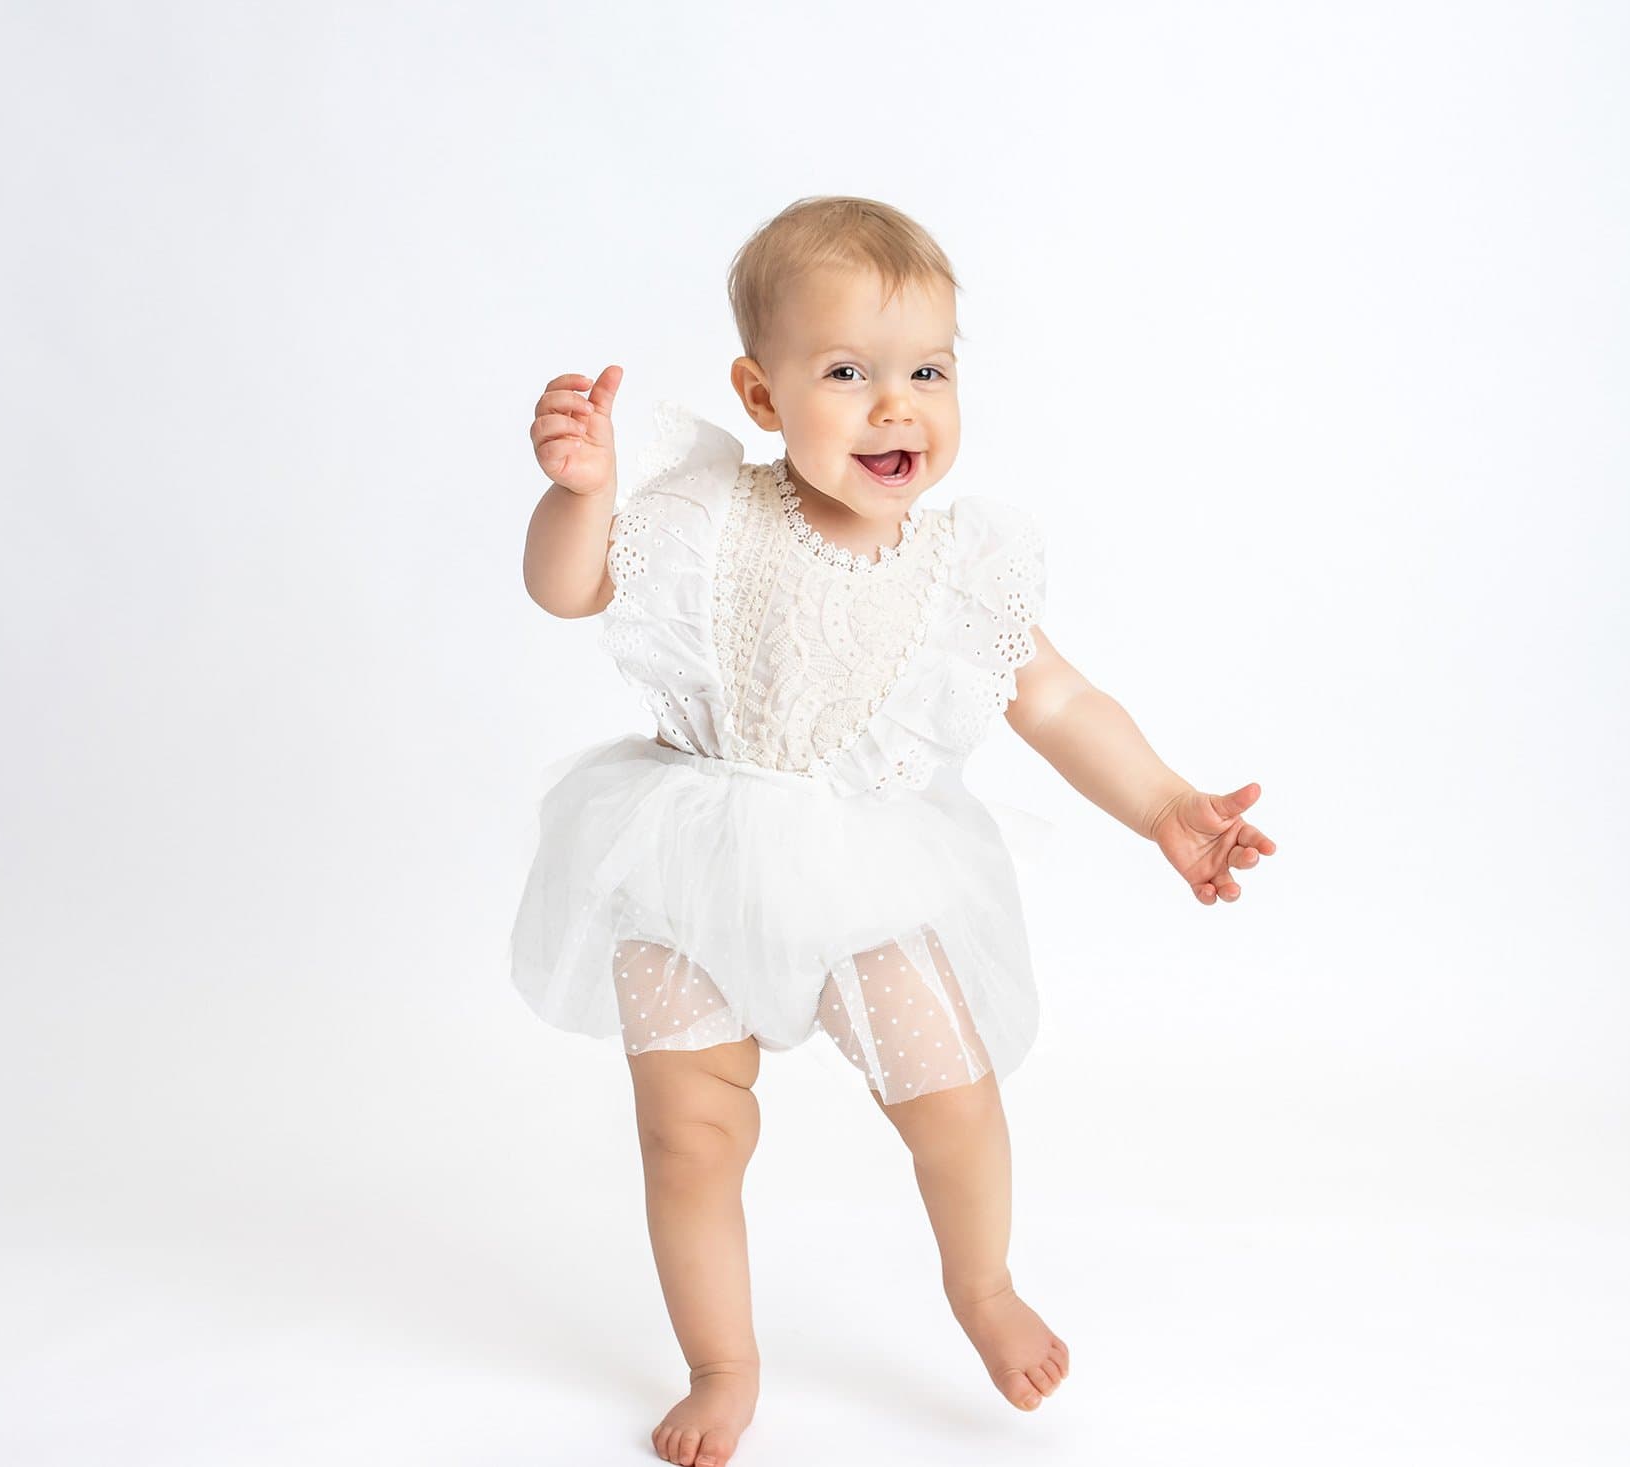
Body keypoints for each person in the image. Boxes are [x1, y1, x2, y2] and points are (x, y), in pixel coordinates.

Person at [510, 195, 1277, 1467]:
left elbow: (1059, 700)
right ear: (760, 396)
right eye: (846, 374)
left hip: (868, 864)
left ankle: (978, 1286)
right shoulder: (698, 510)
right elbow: (566, 587)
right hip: (689, 857)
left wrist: (1162, 803)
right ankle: (722, 1361)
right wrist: (578, 491)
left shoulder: (960, 569)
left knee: (950, 1098)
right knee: (690, 1134)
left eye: (925, 370)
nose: (893, 405)